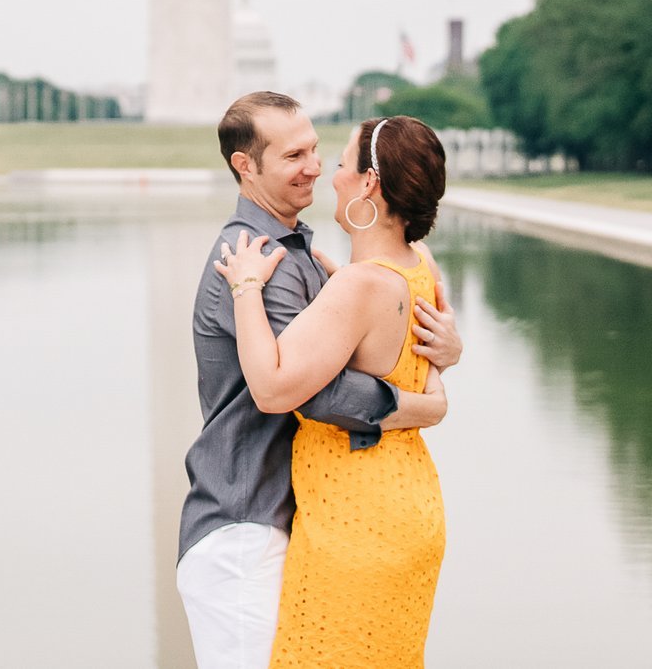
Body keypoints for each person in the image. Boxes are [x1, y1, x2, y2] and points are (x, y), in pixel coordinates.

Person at [176, 92, 463, 669]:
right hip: (248, 522)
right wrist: (421, 404)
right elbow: (316, 393)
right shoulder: (256, 257)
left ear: (369, 185)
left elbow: (307, 372)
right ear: (245, 166)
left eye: (324, 156)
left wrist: (446, 355)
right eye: (296, 156)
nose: (317, 169)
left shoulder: (310, 258)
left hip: (323, 517)